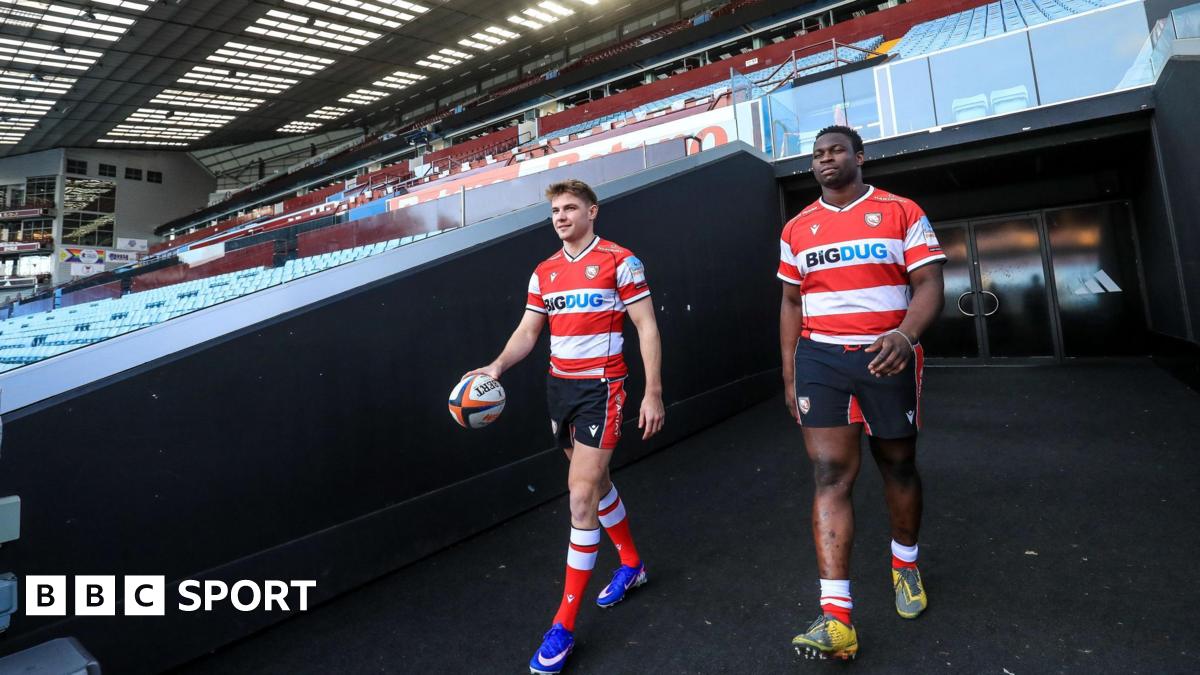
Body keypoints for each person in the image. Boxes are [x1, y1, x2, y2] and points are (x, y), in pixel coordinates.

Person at [465, 179, 665, 674]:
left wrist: (653, 390)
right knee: (597, 487)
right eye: (555, 209)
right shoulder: (544, 272)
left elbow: (646, 326)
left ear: (592, 212)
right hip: (561, 390)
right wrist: (494, 368)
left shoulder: (621, 261)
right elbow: (528, 331)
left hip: (604, 389)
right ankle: (633, 565)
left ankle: (563, 625)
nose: (560, 216)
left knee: (580, 495)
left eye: (570, 207)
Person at [778, 125, 946, 660]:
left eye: (835, 151)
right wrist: (789, 373)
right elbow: (790, 303)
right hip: (821, 358)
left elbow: (930, 284)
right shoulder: (797, 227)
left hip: (886, 353)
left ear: (859, 156)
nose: (826, 160)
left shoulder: (901, 211)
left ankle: (904, 563)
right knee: (829, 474)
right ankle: (836, 616)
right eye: (818, 155)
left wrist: (905, 334)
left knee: (897, 463)